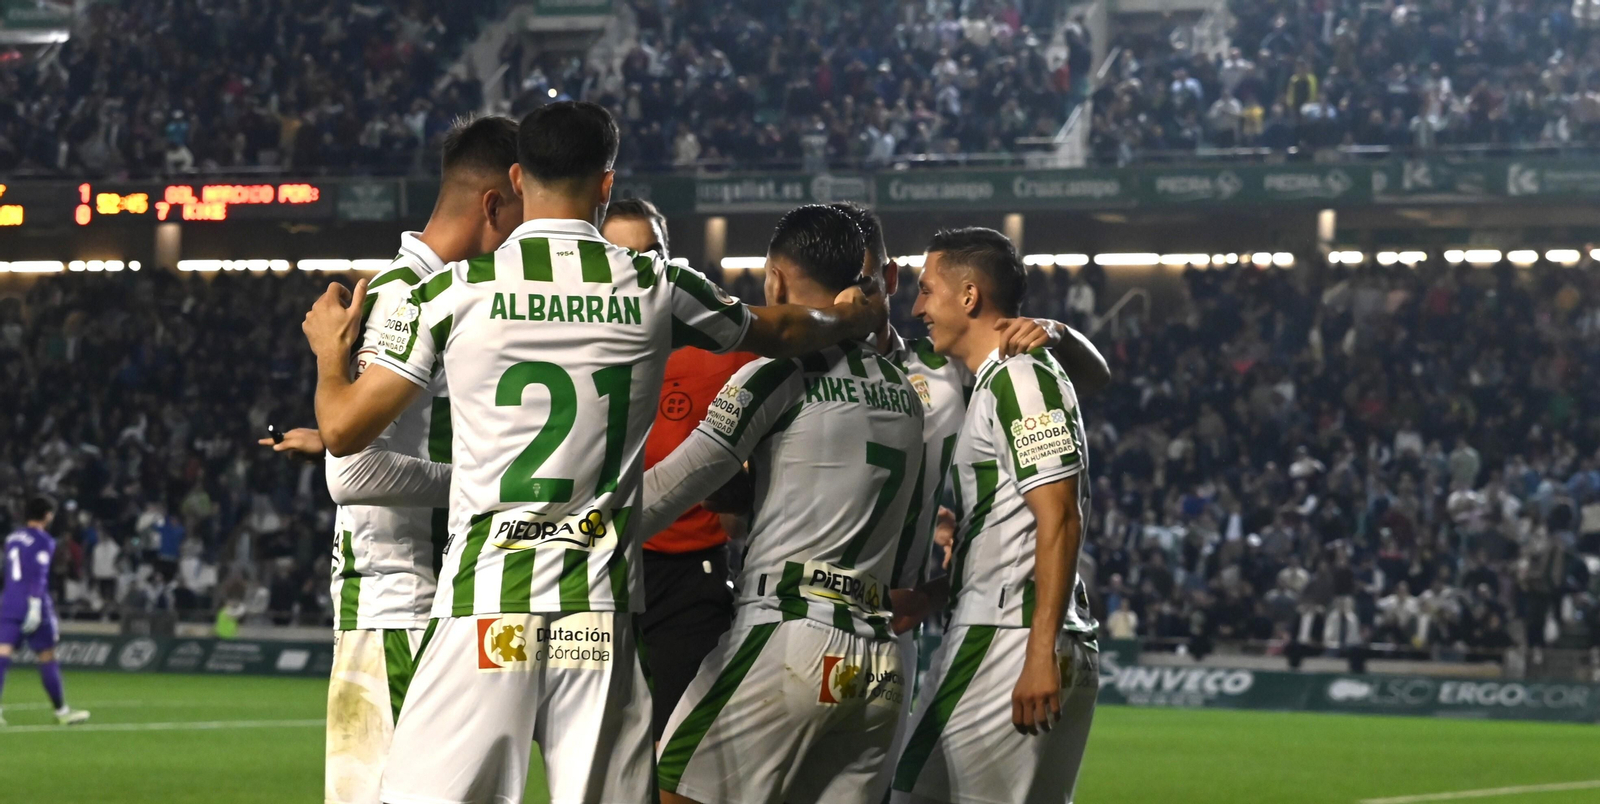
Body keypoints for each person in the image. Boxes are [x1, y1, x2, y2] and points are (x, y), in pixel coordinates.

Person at [300, 101, 886, 804]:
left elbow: (341, 432)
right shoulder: (653, 284)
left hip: (487, 601)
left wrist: (328, 356)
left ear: (518, 178)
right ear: (606, 185)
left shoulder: (453, 291)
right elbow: (783, 329)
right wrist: (855, 314)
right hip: (596, 610)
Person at [258, 113, 522, 804]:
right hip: (403, 611)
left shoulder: (447, 291)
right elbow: (354, 471)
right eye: (530, 213)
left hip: (434, 609)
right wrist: (494, 486)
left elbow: (371, 439)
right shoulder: (409, 294)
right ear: (496, 203)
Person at [640, 205, 926, 804]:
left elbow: (673, 489)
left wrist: (575, 517)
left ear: (773, 277)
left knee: (670, 787)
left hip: (792, 631)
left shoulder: (776, 372)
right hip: (879, 663)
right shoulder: (905, 390)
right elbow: (908, 559)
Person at [826, 202, 1108, 804]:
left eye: (928, 290)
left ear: (971, 296)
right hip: (1014, 630)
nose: (919, 306)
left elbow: (1059, 517)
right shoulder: (996, 378)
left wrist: (1037, 656)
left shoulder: (1019, 377)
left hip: (1009, 636)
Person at [601, 198, 755, 744]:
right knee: (597, 748)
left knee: (680, 749)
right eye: (621, 256)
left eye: (650, 255)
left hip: (691, 574)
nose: (638, 270)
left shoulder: (727, 350)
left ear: (672, 262)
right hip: (599, 569)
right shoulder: (576, 349)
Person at [0, 496, 90, 727]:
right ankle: (62, 712)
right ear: (48, 515)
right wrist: (35, 605)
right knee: (47, 656)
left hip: (9, 601)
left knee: (2, 654)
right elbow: (38, 574)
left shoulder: (12, 538)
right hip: (33, 603)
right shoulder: (44, 540)